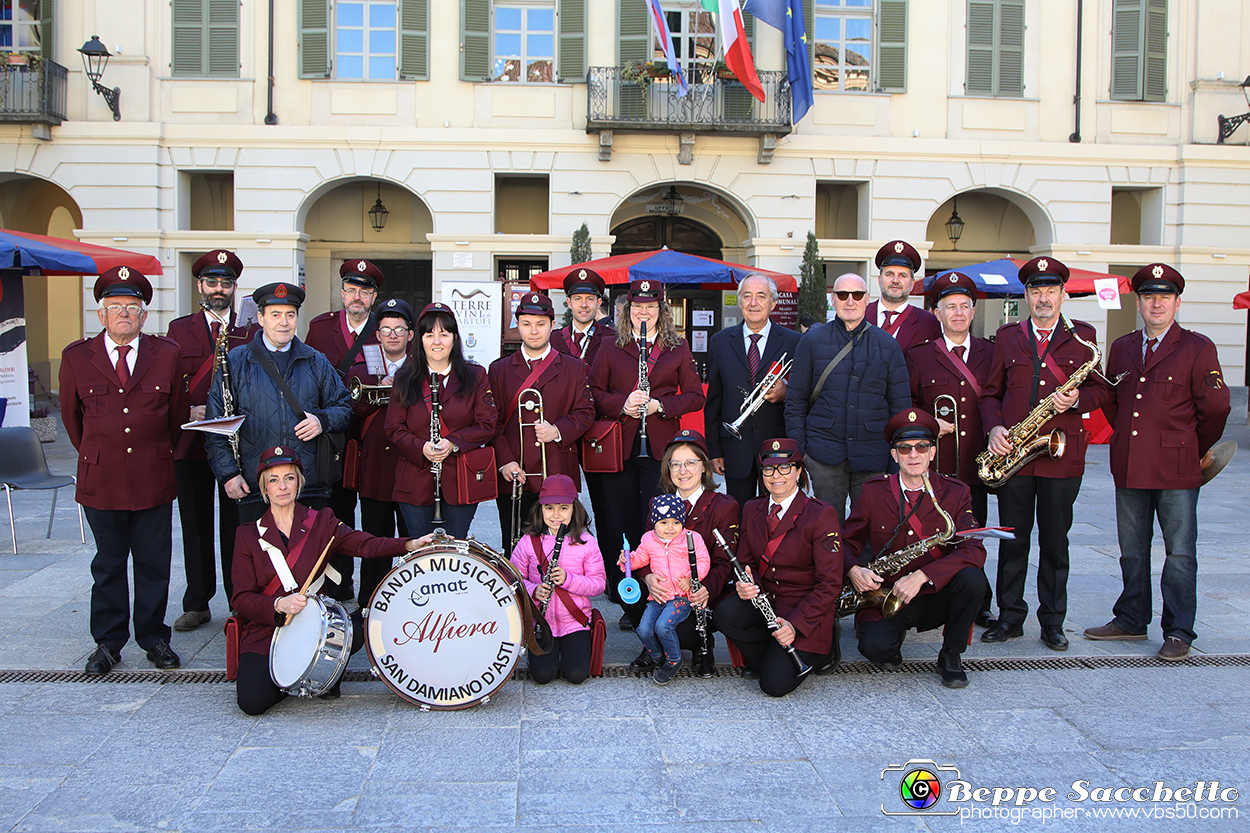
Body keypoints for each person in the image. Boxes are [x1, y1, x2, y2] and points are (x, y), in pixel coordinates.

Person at [1085, 264, 1231, 661]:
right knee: (1131, 549)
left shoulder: (1198, 347)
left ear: (1177, 302)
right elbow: (1114, 401)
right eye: (1149, 296)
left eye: (1165, 296)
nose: (1157, 303)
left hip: (1177, 468)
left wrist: (1191, 445)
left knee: (1180, 552)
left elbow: (1216, 406)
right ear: (1139, 302)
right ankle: (1132, 617)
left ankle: (1179, 630)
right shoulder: (1123, 347)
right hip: (1131, 462)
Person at [60, 266, 190, 674]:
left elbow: (177, 418)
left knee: (154, 562)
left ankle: (153, 637)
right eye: (115, 307)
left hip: (152, 476)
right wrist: (103, 453)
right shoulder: (77, 357)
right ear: (101, 315)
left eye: (132, 307)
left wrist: (153, 454)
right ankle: (108, 641)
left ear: (143, 316)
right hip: (103, 479)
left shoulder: (165, 354)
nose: (123, 314)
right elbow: (72, 421)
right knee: (109, 564)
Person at [230, 447, 424, 715]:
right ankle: (307, 679)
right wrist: (278, 605)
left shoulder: (321, 521)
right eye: (273, 480)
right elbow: (241, 598)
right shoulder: (248, 535)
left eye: (289, 478)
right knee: (252, 703)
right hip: (268, 631)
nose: (282, 486)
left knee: (356, 630)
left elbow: (365, 545)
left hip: (318, 627)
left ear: (299, 481)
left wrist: (410, 543)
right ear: (264, 487)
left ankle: (321, 672)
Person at [980, 257, 1111, 651]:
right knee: (1013, 540)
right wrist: (995, 428)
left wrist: (1077, 401)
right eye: (1036, 291)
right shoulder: (1007, 337)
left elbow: (1104, 391)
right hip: (1017, 455)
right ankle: (1010, 617)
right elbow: (991, 394)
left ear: (1063, 295)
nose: (1043, 298)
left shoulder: (1083, 336)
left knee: (1056, 542)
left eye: (1050, 291)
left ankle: (1053, 622)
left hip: (1062, 455)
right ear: (1026, 296)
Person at [841, 409, 988, 688]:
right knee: (876, 649)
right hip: (887, 595)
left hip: (935, 591)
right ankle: (887, 637)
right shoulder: (874, 491)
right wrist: (853, 569)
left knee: (973, 579)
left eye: (921, 447)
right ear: (894, 455)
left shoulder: (956, 492)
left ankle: (951, 654)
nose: (913, 455)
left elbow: (974, 549)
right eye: (904, 448)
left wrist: (923, 576)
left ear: (932, 452)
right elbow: (847, 541)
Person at [587, 278, 705, 625]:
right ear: (628, 309)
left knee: (653, 527)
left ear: (660, 310)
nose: (644, 312)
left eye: (651, 306)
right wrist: (622, 404)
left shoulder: (677, 347)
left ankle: (658, 597)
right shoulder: (611, 346)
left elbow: (695, 395)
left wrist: (660, 406)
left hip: (658, 451)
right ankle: (630, 602)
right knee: (620, 526)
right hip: (619, 448)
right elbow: (593, 392)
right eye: (638, 306)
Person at [206, 282, 353, 528]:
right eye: (275, 315)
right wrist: (228, 474)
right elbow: (216, 427)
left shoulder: (316, 360)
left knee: (306, 563)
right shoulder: (236, 361)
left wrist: (322, 421)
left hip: (307, 485)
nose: (284, 322)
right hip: (256, 484)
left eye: (290, 315)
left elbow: (344, 407)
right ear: (261, 318)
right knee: (258, 562)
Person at [165, 249, 258, 632]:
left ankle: (240, 600)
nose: (219, 289)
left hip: (237, 443)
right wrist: (189, 408)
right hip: (192, 443)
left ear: (235, 287)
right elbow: (170, 385)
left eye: (226, 283)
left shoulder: (251, 328)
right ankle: (197, 601)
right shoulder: (178, 328)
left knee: (238, 527)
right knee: (196, 523)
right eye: (212, 282)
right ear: (200, 286)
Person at [712, 438, 843, 697]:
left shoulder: (820, 513)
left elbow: (830, 584)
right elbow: (747, 561)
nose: (776, 476)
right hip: (768, 602)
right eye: (769, 469)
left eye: (785, 467)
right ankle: (773, 654)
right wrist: (746, 584)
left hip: (803, 610)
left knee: (773, 685)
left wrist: (795, 625)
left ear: (798, 471)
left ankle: (824, 646)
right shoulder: (753, 508)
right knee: (724, 614)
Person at [903, 271, 996, 627]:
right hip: (934, 466)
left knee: (973, 533)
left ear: (973, 312)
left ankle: (979, 600)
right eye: (949, 307)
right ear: (936, 313)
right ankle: (932, 596)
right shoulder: (920, 355)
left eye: (964, 307)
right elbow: (907, 403)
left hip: (977, 464)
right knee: (933, 533)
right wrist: (927, 422)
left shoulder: (991, 352)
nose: (957, 313)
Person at [785, 272, 910, 521]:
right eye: (843, 295)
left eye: (857, 295)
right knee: (825, 529)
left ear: (867, 299)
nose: (850, 301)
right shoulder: (811, 342)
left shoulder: (888, 345)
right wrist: (803, 452)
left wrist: (896, 457)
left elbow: (900, 408)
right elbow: (795, 401)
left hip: (873, 455)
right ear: (833, 299)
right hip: (823, 456)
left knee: (869, 531)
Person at [489, 292, 595, 553]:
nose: (533, 331)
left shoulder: (573, 367)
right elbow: (490, 421)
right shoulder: (499, 369)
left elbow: (586, 412)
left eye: (540, 324)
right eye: (526, 324)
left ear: (552, 325)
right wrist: (504, 460)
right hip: (515, 473)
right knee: (514, 545)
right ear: (517, 326)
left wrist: (557, 430)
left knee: (562, 548)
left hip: (557, 470)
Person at [628, 430, 739, 676]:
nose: (682, 471)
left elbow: (724, 563)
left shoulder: (724, 506)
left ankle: (701, 644)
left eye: (690, 463)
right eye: (675, 464)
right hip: (662, 590)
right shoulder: (658, 502)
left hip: (697, 591)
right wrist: (646, 576)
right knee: (627, 589)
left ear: (704, 467)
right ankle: (652, 646)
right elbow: (647, 547)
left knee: (680, 628)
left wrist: (703, 588)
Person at [305, 259, 385, 601]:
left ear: (374, 296)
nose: (357, 297)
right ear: (341, 293)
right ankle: (338, 583)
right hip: (330, 437)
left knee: (373, 516)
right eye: (351, 290)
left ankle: (373, 588)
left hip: (370, 436)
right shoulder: (320, 327)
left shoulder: (385, 328)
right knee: (334, 512)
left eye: (364, 291)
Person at [386, 302, 498, 539]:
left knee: (454, 551)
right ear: (420, 340)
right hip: (415, 482)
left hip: (460, 479)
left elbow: (486, 424)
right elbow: (394, 428)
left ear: (455, 339)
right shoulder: (404, 378)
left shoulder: (475, 376)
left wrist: (453, 442)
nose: (437, 341)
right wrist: (421, 448)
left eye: (444, 334)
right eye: (430, 335)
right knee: (421, 553)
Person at [706, 274, 802, 507]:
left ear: (773, 303)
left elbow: (805, 395)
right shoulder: (720, 341)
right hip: (735, 446)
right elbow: (714, 399)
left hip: (779, 446)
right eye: (747, 296)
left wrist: (786, 392)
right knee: (739, 516)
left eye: (761, 296)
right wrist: (714, 450)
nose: (753, 303)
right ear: (739, 302)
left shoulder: (795, 341)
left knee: (778, 511)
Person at [344, 298, 415, 609]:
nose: (392, 335)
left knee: (414, 538)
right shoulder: (362, 368)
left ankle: (413, 602)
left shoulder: (422, 368)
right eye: (386, 329)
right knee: (375, 538)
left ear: (411, 335)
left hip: (412, 466)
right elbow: (348, 412)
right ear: (377, 334)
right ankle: (370, 604)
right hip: (374, 469)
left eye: (399, 329)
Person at [510, 474, 606, 685]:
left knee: (577, 675)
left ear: (574, 509)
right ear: (540, 509)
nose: (556, 515)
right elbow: (513, 579)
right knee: (543, 676)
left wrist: (568, 580)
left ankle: (574, 647)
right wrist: (534, 589)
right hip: (541, 622)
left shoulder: (586, 542)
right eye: (549, 508)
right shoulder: (528, 542)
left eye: (564, 508)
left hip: (575, 621)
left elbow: (599, 583)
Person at [620, 494, 711, 684]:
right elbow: (640, 559)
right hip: (658, 597)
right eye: (663, 522)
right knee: (644, 629)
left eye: (676, 522)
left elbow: (703, 561)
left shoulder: (691, 538)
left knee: (663, 627)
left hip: (680, 597)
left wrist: (691, 578)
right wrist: (627, 560)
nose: (670, 528)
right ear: (654, 522)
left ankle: (673, 660)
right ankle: (657, 657)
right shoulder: (648, 539)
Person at [865, 240, 941, 354]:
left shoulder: (928, 323)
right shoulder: (860, 315)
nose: (895, 281)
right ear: (879, 280)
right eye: (889, 274)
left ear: (912, 283)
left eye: (903, 275)